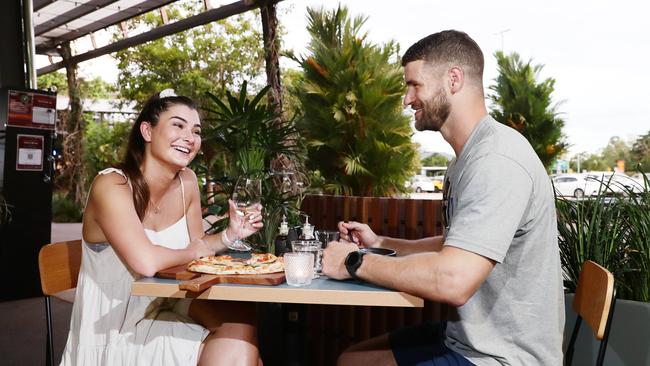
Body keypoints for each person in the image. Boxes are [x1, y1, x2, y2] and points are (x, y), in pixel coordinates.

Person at [322, 30, 565, 365]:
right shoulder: (465, 159)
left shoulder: (497, 160)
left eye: (414, 85)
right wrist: (378, 242)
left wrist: (353, 262)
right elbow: (456, 245)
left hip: (501, 358)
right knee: (352, 360)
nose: (407, 99)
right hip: (467, 339)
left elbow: (453, 280)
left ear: (453, 79)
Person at [60, 90, 264, 365]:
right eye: (178, 125)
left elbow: (199, 251)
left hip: (166, 303)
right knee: (243, 351)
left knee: (242, 323)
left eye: (196, 131)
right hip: (114, 326)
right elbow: (146, 262)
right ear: (147, 130)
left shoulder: (187, 182)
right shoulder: (111, 185)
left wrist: (230, 235)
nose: (190, 138)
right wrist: (196, 249)